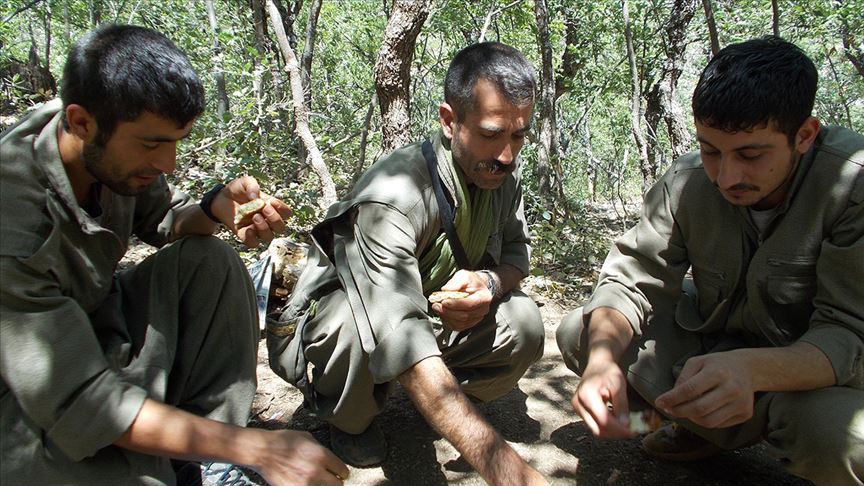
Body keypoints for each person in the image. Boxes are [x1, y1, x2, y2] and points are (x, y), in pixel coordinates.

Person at [0, 24, 349, 486]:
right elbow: (80, 401)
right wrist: (256, 447)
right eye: (152, 144)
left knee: (210, 262)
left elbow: (165, 219)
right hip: (29, 390)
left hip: (99, 329)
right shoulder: (14, 225)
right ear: (81, 122)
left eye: (176, 141)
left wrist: (215, 208)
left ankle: (202, 461)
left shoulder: (103, 141)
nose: (168, 162)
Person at [557, 36, 863, 485]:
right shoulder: (687, 182)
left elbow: (849, 333)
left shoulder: (851, 187)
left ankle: (764, 439)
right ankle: (696, 427)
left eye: (751, 155)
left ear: (805, 135)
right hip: (712, 350)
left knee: (845, 444)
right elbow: (631, 281)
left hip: (807, 380)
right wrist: (602, 360)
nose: (727, 176)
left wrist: (753, 371)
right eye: (711, 150)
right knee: (582, 332)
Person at [267, 42, 547, 485]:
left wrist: (490, 284)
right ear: (449, 121)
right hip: (352, 328)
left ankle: (437, 400)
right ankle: (349, 418)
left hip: (425, 320)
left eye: (519, 136)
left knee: (524, 321)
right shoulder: (394, 196)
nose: (507, 155)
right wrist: (506, 471)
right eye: (492, 133)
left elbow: (516, 257)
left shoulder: (496, 175)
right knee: (349, 326)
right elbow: (398, 332)